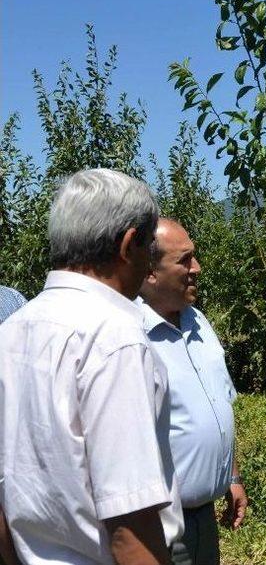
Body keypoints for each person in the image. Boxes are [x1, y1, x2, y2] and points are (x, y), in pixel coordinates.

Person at [0, 169, 183, 565]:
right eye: (150, 245)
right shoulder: (115, 340)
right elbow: (131, 530)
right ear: (130, 244)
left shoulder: (12, 332)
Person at [138, 218, 248, 565]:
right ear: (150, 272)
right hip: (161, 526)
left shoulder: (198, 321)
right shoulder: (131, 337)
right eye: (184, 260)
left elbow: (219, 407)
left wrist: (231, 475)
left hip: (204, 517)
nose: (197, 269)